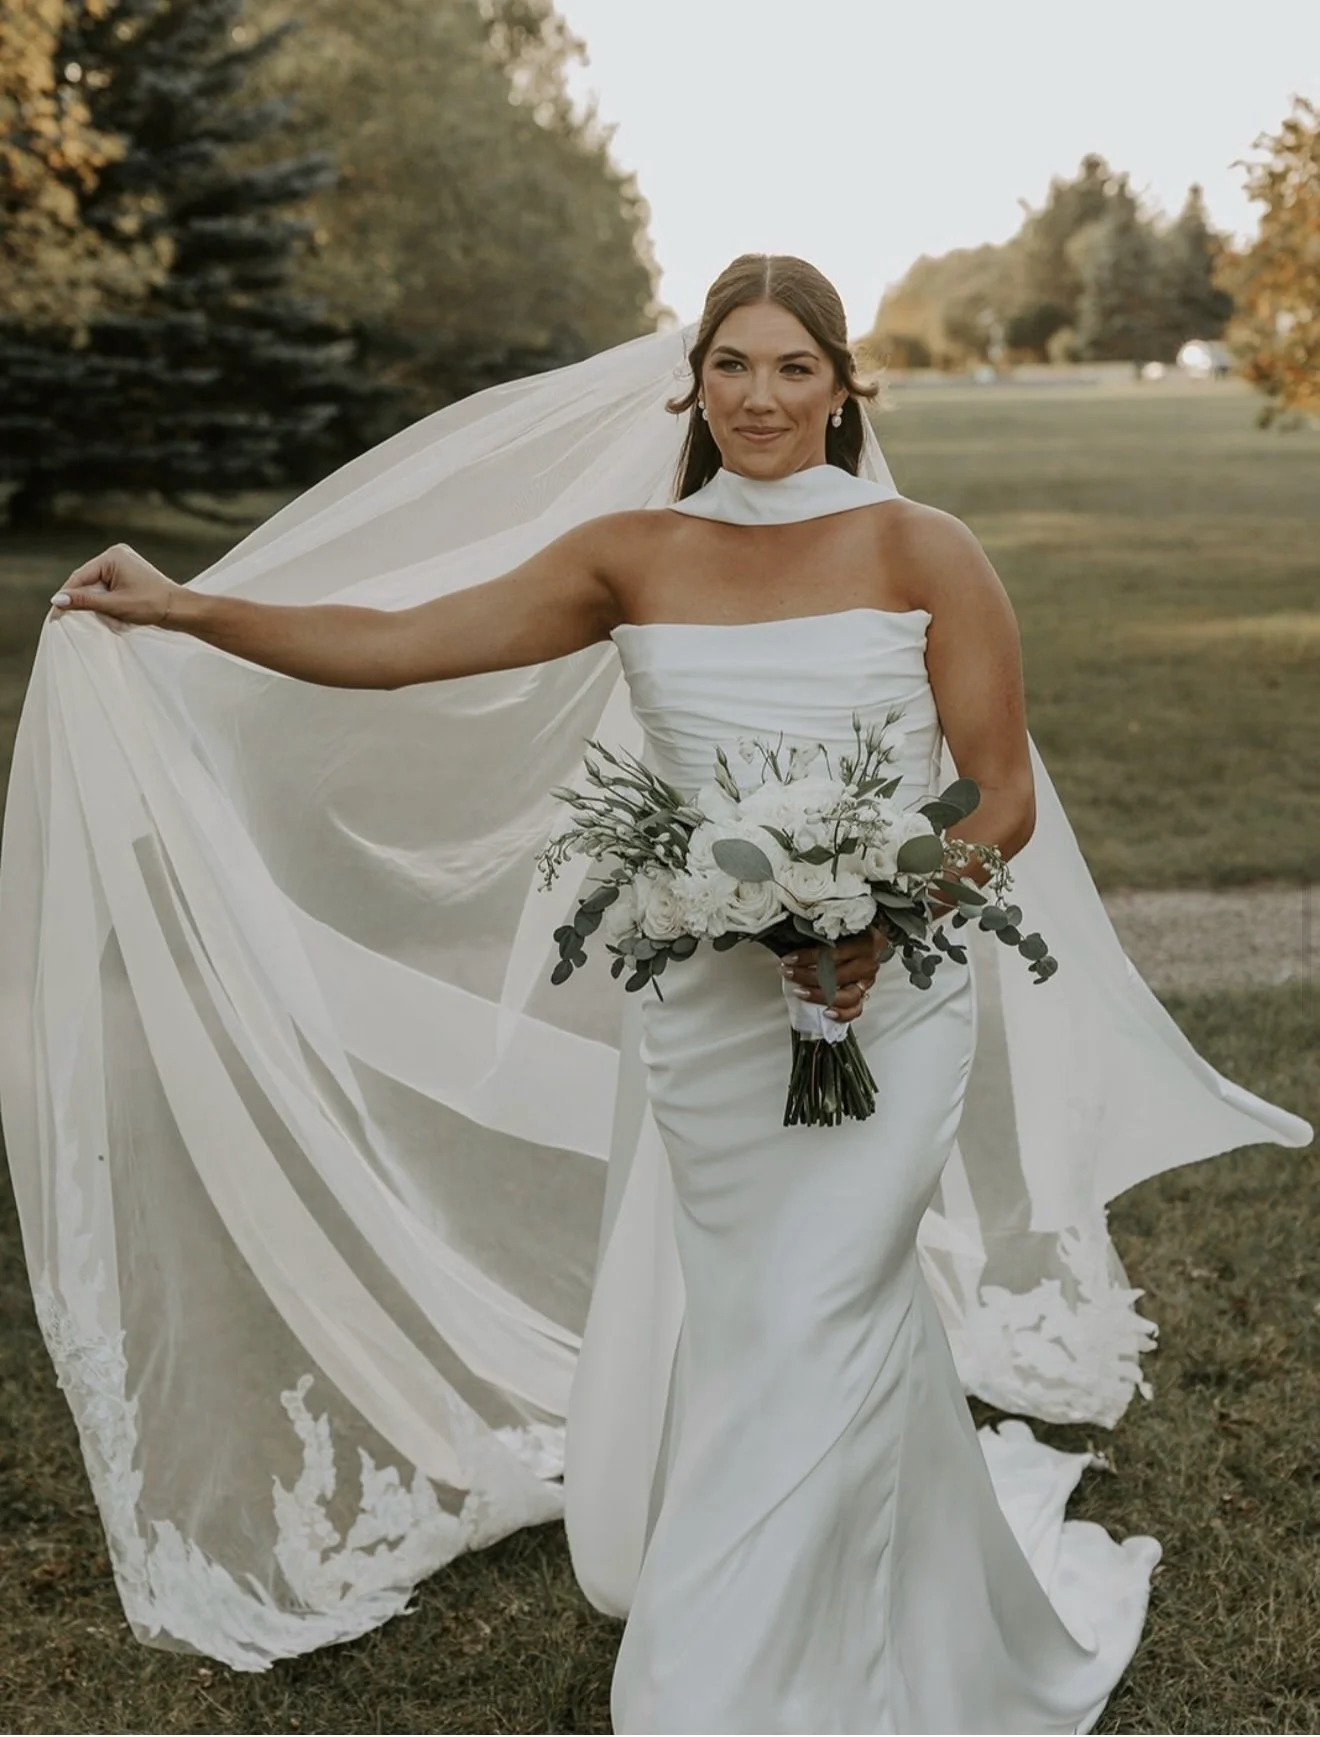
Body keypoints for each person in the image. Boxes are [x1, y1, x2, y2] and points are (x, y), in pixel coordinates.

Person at [15, 255, 1311, 1730]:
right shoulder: (631, 554)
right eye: (734, 367)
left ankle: (719, 1686)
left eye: (794, 369)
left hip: (889, 1003)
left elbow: (999, 797)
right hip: (709, 1008)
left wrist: (885, 915)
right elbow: (390, 649)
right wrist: (188, 612)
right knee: (778, 1322)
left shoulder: (925, 549)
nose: (761, 398)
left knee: (827, 1304)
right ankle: (896, 1613)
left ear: (844, 386)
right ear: (694, 383)